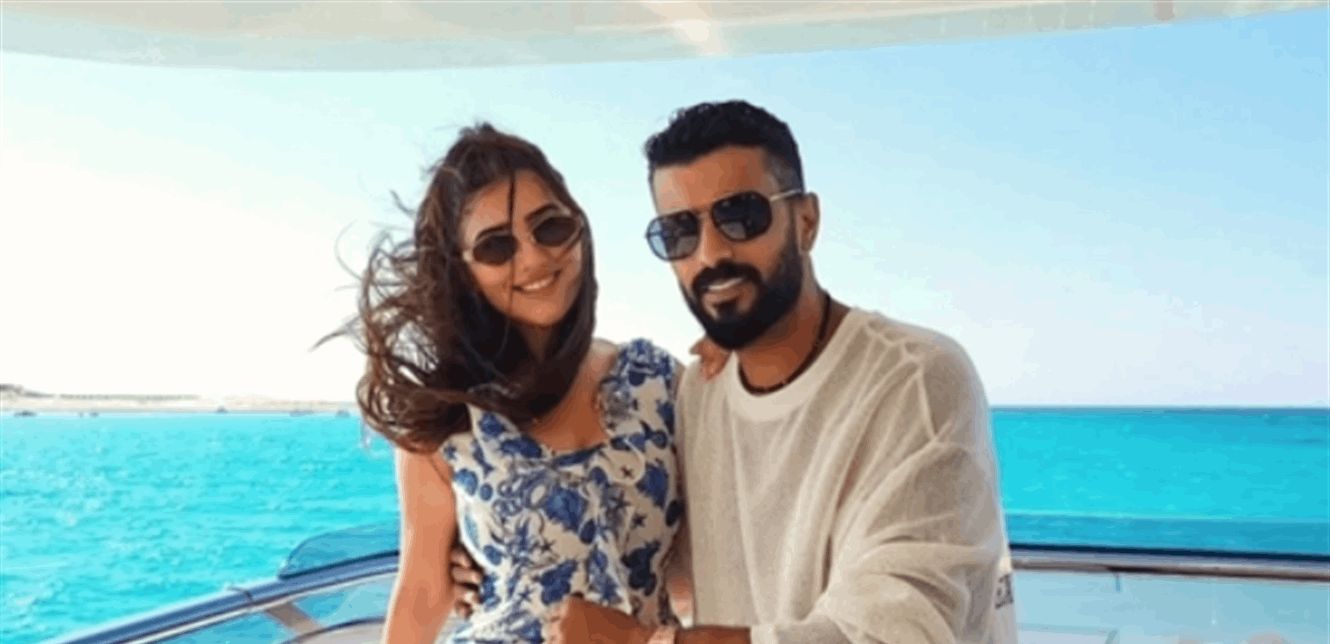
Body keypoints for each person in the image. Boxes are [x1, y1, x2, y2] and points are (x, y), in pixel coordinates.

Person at [531, 100, 1017, 643]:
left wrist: (640, 643)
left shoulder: (916, 381)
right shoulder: (700, 394)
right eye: (679, 232)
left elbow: (889, 635)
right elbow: (661, 554)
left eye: (741, 216)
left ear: (806, 222)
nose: (711, 253)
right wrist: (471, 532)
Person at [341, 124, 690, 643]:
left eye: (549, 227)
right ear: (461, 271)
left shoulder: (658, 382)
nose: (532, 258)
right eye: (495, 247)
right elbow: (421, 589)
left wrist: (733, 365)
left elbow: (707, 560)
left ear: (579, 227)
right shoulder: (445, 416)